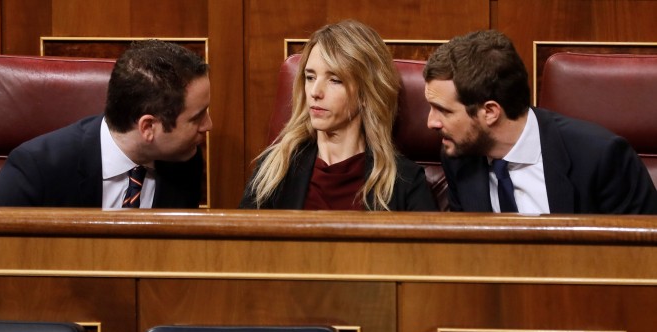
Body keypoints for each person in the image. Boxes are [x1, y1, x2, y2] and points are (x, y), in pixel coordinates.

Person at [423, 30, 657, 214]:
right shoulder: (458, 157)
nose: (431, 122)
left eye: (443, 110)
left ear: (491, 112)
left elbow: (642, 256)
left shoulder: (601, 157)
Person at [239, 20, 436, 211]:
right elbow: (242, 243)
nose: (315, 91)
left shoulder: (405, 181)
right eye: (310, 77)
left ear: (366, 94)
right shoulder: (275, 169)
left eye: (335, 80)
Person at [0, 39, 212, 208]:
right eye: (197, 117)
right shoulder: (36, 169)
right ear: (148, 127)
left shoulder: (184, 160)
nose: (208, 125)